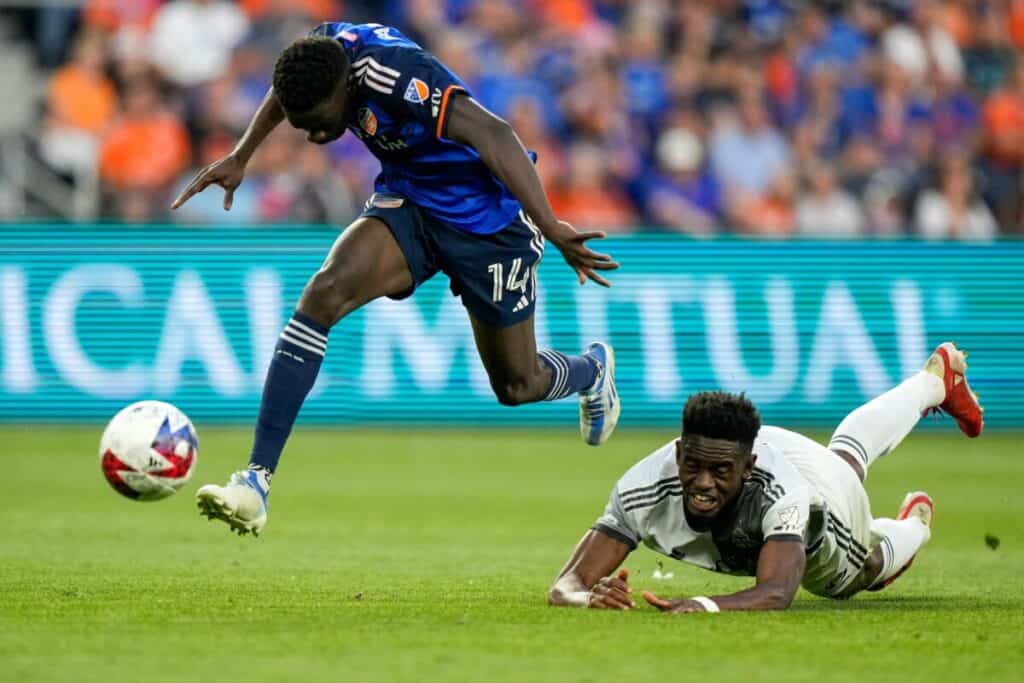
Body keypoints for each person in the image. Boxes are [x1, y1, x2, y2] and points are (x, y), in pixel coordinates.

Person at [171, 22, 620, 536]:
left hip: (488, 222)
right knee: (323, 295)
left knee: (518, 386)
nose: (311, 135)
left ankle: (591, 371)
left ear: (344, 89)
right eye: (301, 125)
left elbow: (495, 133)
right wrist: (242, 154)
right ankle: (255, 481)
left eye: (317, 122)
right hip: (411, 201)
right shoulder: (319, 56)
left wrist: (550, 224)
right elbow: (287, 88)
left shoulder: (396, 76)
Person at [549, 342, 983, 612]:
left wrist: (703, 605)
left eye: (718, 472)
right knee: (846, 460)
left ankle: (912, 528)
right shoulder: (641, 487)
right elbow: (565, 585)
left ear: (747, 466)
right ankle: (931, 386)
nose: (702, 483)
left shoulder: (784, 495)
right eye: (693, 466)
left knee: (856, 577)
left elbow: (777, 591)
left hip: (810, 494)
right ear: (679, 453)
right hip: (768, 450)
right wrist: (588, 597)